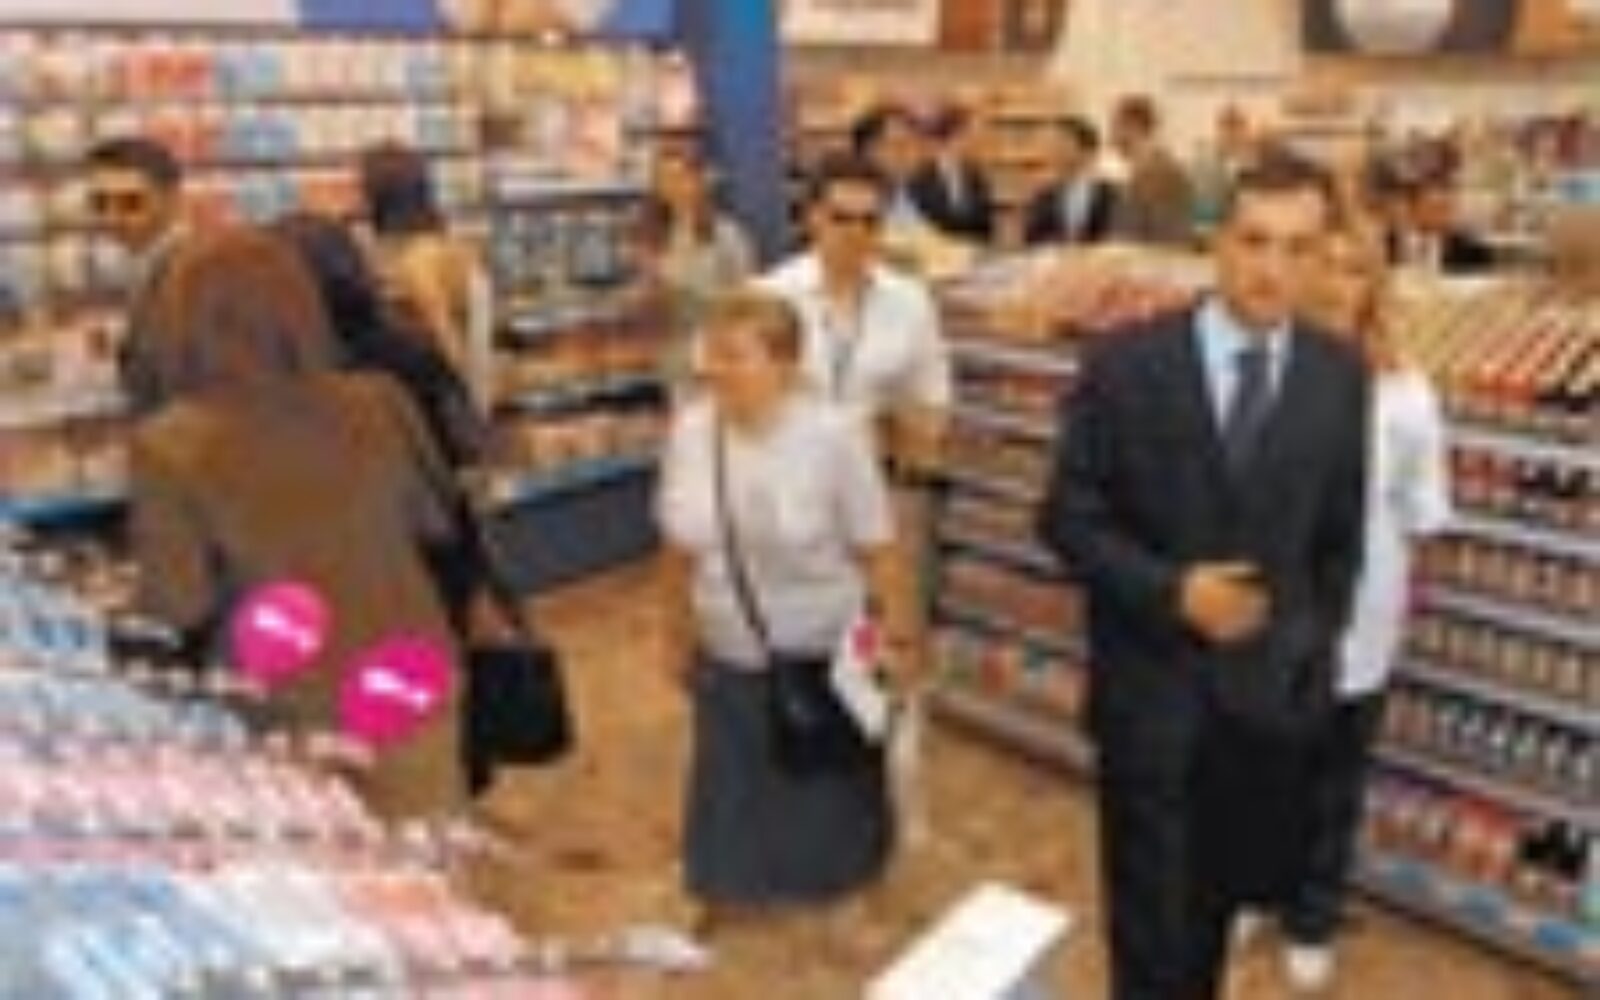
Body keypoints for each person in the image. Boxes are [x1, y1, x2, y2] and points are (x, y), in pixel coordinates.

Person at [1036, 154, 1369, 999]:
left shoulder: (1339, 376)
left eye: (1298, 248)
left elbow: (1338, 543)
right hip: (1152, 703)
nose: (1273, 268)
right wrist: (1173, 592)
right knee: (1152, 937)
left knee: (1218, 915)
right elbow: (1066, 518)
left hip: (1266, 715)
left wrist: (1305, 657)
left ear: (1323, 256)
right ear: (1215, 242)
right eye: (1255, 241)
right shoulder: (1127, 365)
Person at [128, 226, 467, 822]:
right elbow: (433, 525)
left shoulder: (170, 446)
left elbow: (178, 603)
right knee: (427, 857)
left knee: (318, 873)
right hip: (407, 673)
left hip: (283, 708)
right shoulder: (379, 402)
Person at [656, 290, 919, 922]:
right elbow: (676, 545)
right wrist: (674, 630)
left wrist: (900, 638)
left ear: (785, 364)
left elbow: (879, 548)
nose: (716, 370)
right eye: (711, 354)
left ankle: (842, 881)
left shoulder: (834, 438)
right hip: (727, 643)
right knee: (730, 773)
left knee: (829, 774)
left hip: (822, 644)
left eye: (734, 356)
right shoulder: (692, 432)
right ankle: (732, 886)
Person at [1264, 220, 1451, 991]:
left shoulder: (1406, 394)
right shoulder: (1270, 369)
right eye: (1326, 264)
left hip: (1363, 613)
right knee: (1261, 763)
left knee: (1334, 776)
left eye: (1355, 269)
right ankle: (1255, 890)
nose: (1338, 282)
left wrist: (1410, 597)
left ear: (1375, 287)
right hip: (1271, 611)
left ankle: (1312, 917)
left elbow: (1424, 510)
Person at [759, 152, 952, 470]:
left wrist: (900, 432)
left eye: (870, 221)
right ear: (812, 217)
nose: (856, 232)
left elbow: (932, 403)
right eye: (841, 218)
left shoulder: (911, 302)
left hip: (873, 479)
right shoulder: (770, 296)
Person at [359, 141, 495, 410]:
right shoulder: (447, 245)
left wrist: (465, 403)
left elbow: (444, 335)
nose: (358, 198)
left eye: (362, 188)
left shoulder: (416, 258)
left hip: (432, 395)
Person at [84, 135, 194, 417]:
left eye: (131, 203)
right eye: (99, 204)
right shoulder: (147, 262)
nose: (112, 217)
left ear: (172, 200)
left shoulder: (195, 270)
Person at [639, 143, 757, 385]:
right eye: (662, 180)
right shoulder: (653, 239)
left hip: (721, 357)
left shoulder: (727, 236)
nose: (671, 187)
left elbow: (747, 303)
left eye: (679, 177)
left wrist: (680, 286)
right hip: (677, 361)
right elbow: (652, 315)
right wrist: (648, 296)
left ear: (698, 181)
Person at [1109, 94, 1197, 248]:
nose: (1111, 135)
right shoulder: (1140, 168)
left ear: (1133, 127)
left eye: (1115, 126)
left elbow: (1167, 237)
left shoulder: (1161, 171)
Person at [1021, 116, 1118, 247]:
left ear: (1087, 151)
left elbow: (1118, 240)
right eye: (1054, 146)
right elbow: (1032, 242)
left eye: (1063, 143)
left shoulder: (1112, 195)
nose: (1056, 152)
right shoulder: (1044, 195)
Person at [907, 104, 996, 244]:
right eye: (971, 134)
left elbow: (986, 223)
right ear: (956, 136)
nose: (977, 140)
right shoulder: (918, 178)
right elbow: (919, 226)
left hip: (974, 251)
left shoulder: (976, 175)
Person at [1389, 170, 1497, 274]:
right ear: (1411, 209)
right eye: (1433, 208)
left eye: (1446, 208)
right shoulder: (1389, 243)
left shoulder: (1471, 249)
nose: (1442, 216)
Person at [850, 104, 931, 233]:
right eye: (900, 146)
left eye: (917, 145)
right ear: (868, 151)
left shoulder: (921, 195)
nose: (912, 154)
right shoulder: (850, 200)